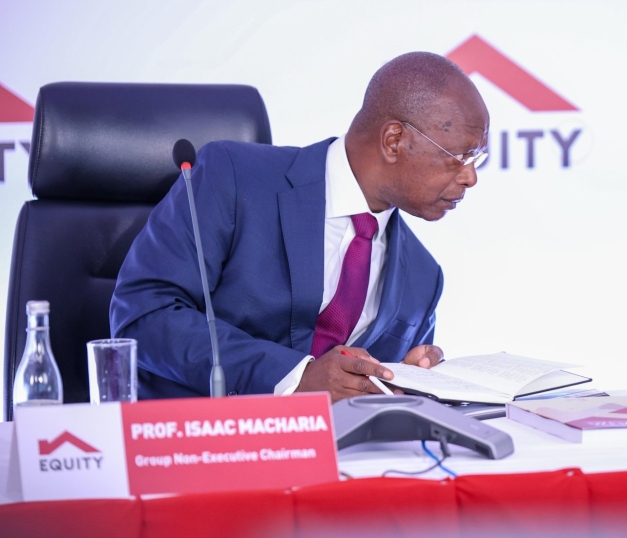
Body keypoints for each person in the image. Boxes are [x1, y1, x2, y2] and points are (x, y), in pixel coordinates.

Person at [111, 52, 490, 399]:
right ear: (394, 141)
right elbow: (144, 315)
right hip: (193, 448)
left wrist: (407, 384)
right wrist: (295, 377)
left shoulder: (424, 277)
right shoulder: (233, 176)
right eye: (459, 156)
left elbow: (363, 396)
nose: (471, 178)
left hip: (333, 465)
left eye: (478, 159)